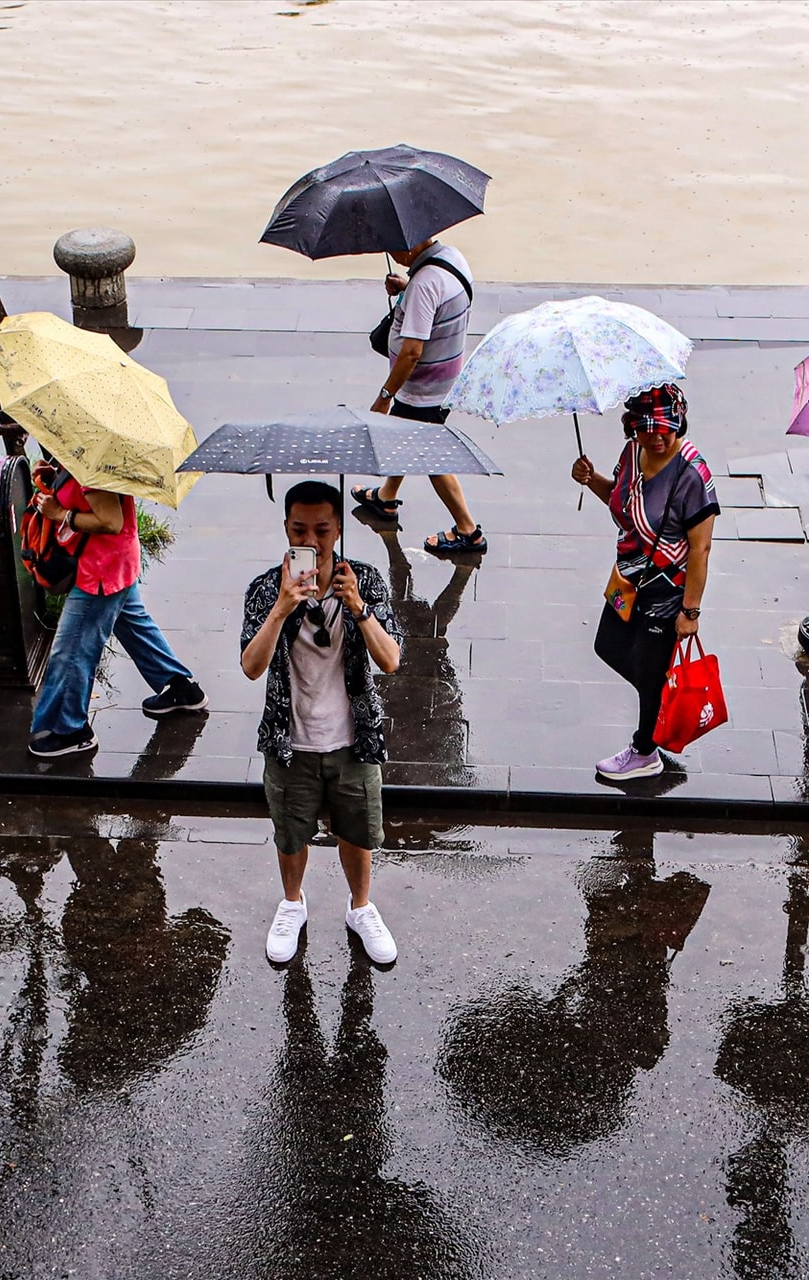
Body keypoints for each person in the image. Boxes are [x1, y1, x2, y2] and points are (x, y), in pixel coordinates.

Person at [241, 481, 404, 965]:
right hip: (289, 741)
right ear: (286, 529)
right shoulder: (267, 588)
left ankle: (361, 907)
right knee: (291, 833)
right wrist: (282, 608)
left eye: (322, 529)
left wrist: (358, 608)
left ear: (340, 529)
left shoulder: (366, 581)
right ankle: (292, 903)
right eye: (299, 530)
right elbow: (251, 666)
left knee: (356, 833)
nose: (311, 540)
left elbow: (391, 660)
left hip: (354, 741)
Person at [570, 384, 719, 781]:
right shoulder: (633, 454)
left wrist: (690, 612)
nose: (656, 436)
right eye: (646, 429)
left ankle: (645, 749)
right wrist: (592, 479)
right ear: (632, 427)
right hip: (628, 578)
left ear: (679, 423)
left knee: (651, 669)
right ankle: (659, 697)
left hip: (668, 591)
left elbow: (700, 549)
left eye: (665, 428)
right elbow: (620, 502)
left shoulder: (693, 475)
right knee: (609, 645)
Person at [27, 468, 206, 758]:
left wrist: (60, 513)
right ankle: (182, 689)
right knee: (135, 627)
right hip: (116, 560)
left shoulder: (92, 468)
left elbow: (110, 521)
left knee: (72, 650)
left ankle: (72, 730)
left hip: (100, 571)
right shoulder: (88, 460)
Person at [351, 237, 486, 557]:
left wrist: (385, 395)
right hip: (445, 376)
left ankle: (468, 530)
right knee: (405, 437)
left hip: (423, 388)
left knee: (431, 455)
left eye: (393, 247)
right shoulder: (452, 258)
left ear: (410, 246)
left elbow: (411, 352)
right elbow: (437, 293)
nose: (391, 254)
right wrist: (408, 287)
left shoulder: (425, 284)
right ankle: (386, 498)